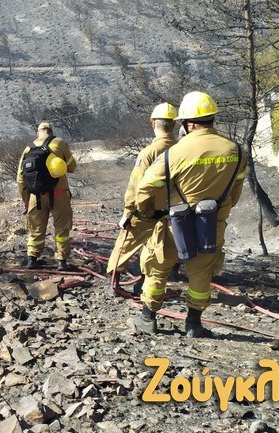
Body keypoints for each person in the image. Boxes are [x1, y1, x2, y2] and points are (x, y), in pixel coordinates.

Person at [132, 91, 247, 337]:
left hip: (175, 224)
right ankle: (193, 324)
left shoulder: (175, 153)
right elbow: (234, 195)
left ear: (189, 123)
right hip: (212, 224)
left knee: (158, 268)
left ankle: (147, 318)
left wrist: (149, 213)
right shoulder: (236, 151)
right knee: (201, 274)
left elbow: (144, 189)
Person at [106, 103, 179, 289]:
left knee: (126, 243)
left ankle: (114, 282)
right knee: (163, 247)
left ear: (154, 124)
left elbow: (135, 185)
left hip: (146, 211)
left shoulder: (148, 153)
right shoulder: (182, 150)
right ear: (175, 125)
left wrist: (128, 212)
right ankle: (152, 279)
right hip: (172, 212)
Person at [17, 122, 77, 271]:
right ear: (51, 131)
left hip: (35, 196)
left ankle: (32, 259)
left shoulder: (28, 149)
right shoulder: (59, 143)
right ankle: (62, 261)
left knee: (35, 228)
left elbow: (20, 179)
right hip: (59, 194)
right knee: (62, 228)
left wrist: (26, 201)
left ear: (38, 133)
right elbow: (72, 167)